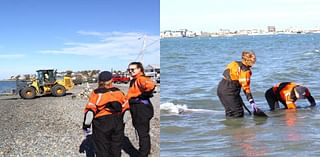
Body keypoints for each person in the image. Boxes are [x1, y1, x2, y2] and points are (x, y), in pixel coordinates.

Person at [82, 71, 128, 157]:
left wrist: (86, 125)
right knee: (116, 146)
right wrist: (124, 120)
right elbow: (126, 107)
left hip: (102, 123)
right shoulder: (118, 92)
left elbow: (91, 109)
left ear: (99, 81)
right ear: (111, 80)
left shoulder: (96, 93)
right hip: (117, 121)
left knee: (102, 147)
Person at [217, 51, 260, 118]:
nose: (254, 62)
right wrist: (251, 101)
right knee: (238, 112)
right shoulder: (245, 71)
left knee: (230, 112)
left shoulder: (234, 63)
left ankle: (230, 127)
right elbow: (246, 88)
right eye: (253, 61)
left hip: (221, 88)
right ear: (247, 60)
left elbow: (225, 72)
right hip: (230, 90)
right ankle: (239, 128)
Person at [127, 62, 155, 157]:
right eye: (129, 70)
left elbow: (151, 85)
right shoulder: (134, 80)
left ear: (140, 69)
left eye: (133, 69)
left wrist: (143, 95)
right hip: (137, 108)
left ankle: (143, 154)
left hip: (141, 109)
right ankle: (146, 151)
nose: (130, 71)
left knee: (142, 133)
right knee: (143, 132)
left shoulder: (141, 79)